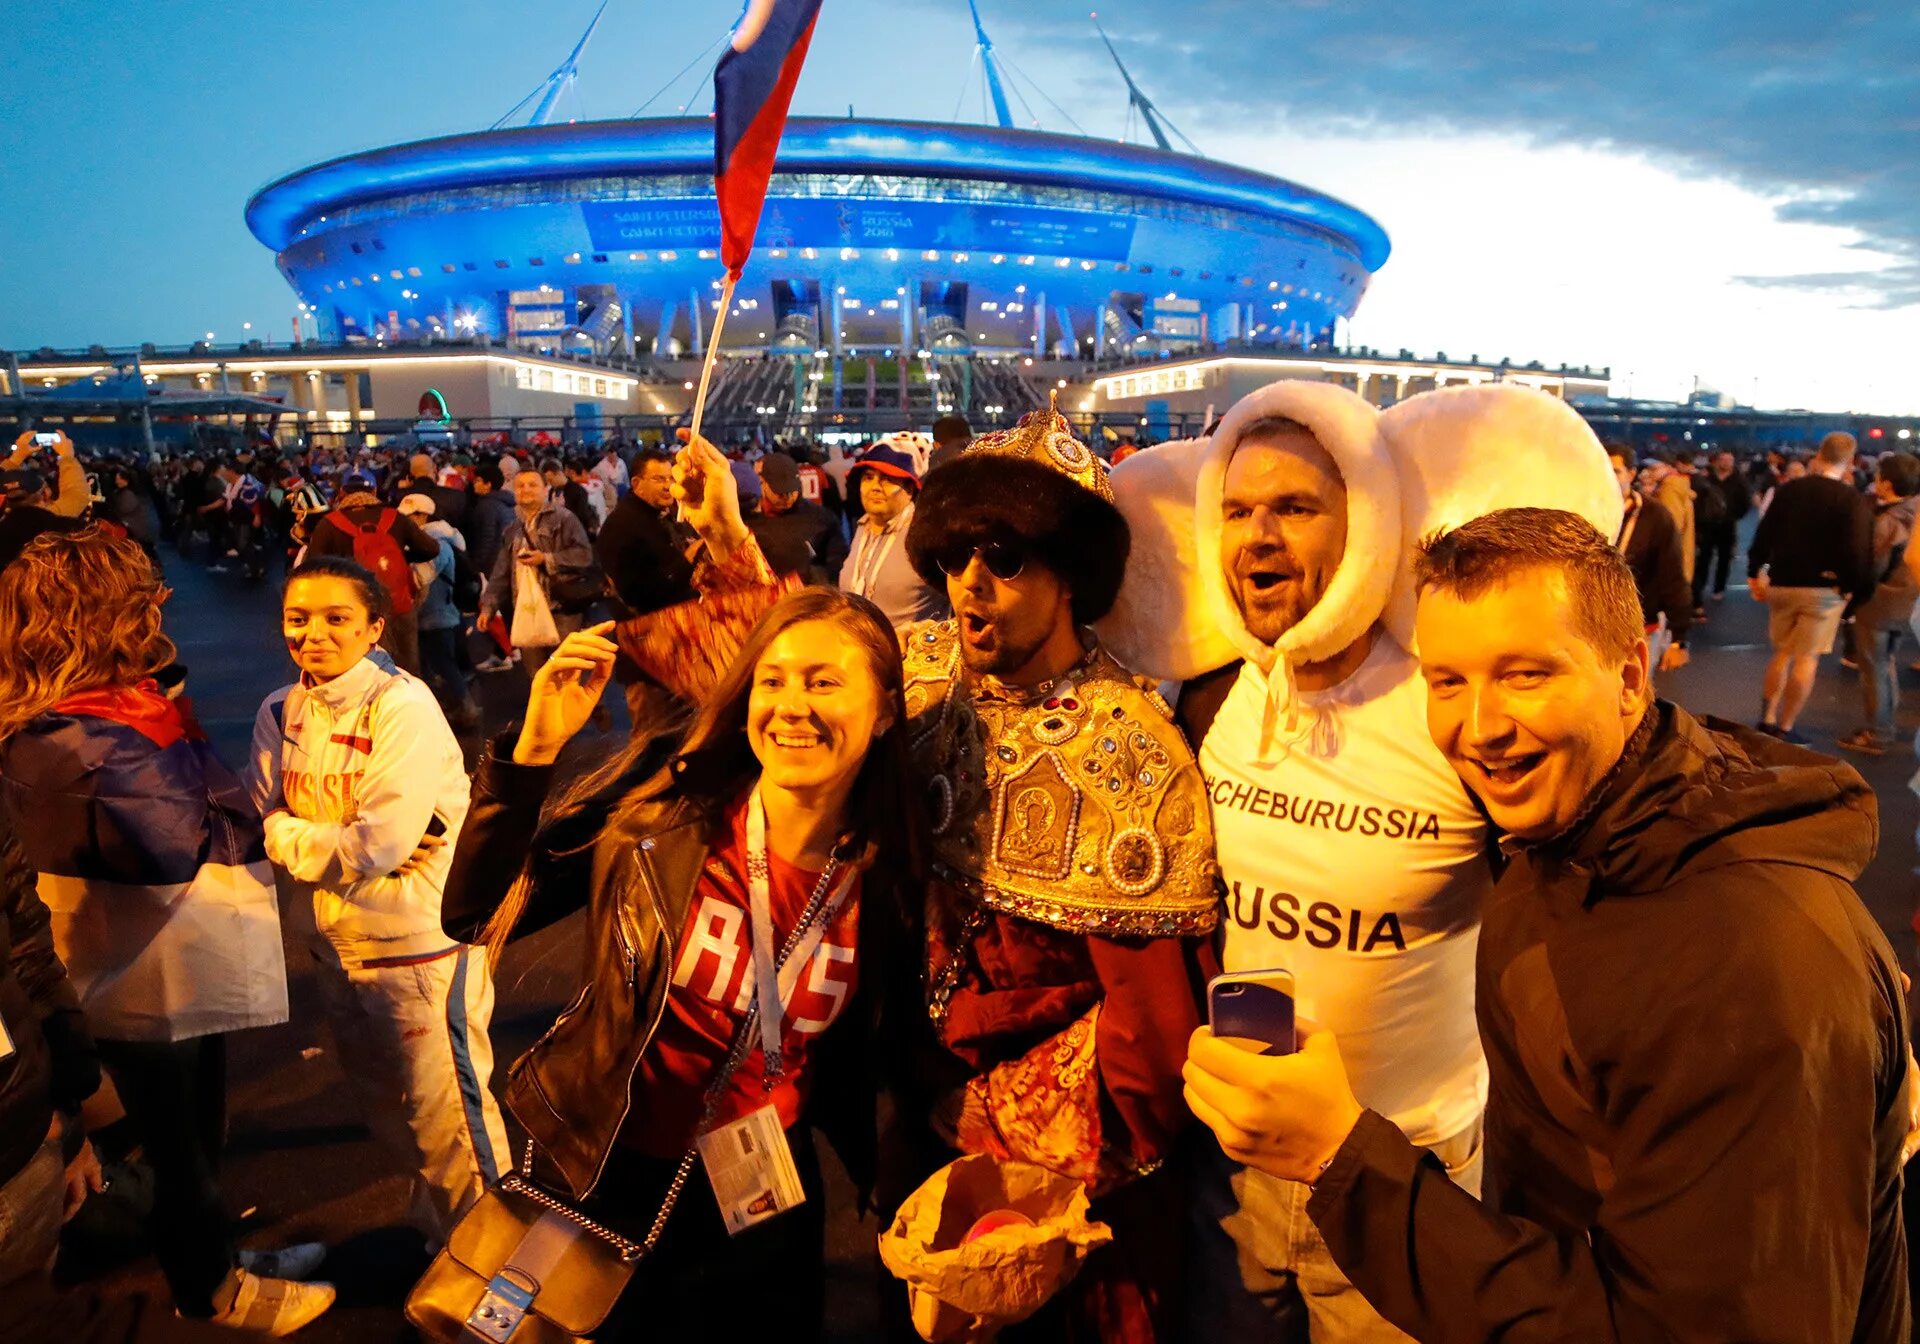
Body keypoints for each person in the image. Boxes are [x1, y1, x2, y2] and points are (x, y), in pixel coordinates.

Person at [1183, 507, 1913, 1343]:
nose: (1479, 728)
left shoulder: (1745, 965)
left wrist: (1340, 1156)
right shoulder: (1579, 833)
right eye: (1448, 681)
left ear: (1632, 675)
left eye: (1526, 675)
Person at [647, 411, 1221, 1340]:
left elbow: (1150, 1041)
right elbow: (794, 667)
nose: (970, 586)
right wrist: (725, 530)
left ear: (1070, 571)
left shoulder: (1134, 757)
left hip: (1051, 1184)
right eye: (955, 558)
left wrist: (1013, 1145)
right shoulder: (922, 673)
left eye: (1006, 558)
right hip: (907, 1123)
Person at [440, 594, 921, 1342]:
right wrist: (531, 753)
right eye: (774, 680)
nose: (792, 706)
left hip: (764, 1185)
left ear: (885, 710)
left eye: (824, 682)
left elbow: (891, 1050)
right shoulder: (662, 813)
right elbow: (475, 913)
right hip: (601, 1164)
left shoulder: (895, 875)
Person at [1168, 386, 1493, 1343]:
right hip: (1236, 1161)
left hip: (1404, 1170)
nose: (1257, 537)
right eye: (1236, 511)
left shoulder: (1447, 706)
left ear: (1367, 526)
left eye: (1296, 508)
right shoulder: (1212, 698)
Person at [0, 527, 329, 1334]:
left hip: (94, 965)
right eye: (144, 595)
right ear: (106, 614)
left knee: (160, 1143)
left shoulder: (39, 710)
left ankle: (199, 1262)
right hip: (149, 971)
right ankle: (212, 1288)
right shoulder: (102, 736)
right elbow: (196, 834)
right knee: (183, 1149)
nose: (162, 603)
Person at [248, 556, 509, 1248]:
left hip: (422, 950)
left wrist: (292, 834)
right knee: (385, 1108)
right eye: (298, 619)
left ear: (373, 628)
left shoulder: (404, 706)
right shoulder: (281, 710)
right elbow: (261, 812)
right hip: (335, 947)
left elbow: (376, 845)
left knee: (451, 1122)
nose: (315, 634)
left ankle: (493, 1277)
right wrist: (314, 838)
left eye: (338, 619)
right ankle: (442, 1238)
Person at [1747, 431, 1875, 743]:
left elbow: (1764, 533)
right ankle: (1786, 726)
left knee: (1781, 654)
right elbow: (1859, 552)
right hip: (1823, 591)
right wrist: (1852, 590)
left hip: (1783, 583)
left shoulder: (1790, 490)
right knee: (1806, 659)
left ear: (1819, 455)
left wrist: (1754, 572)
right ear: (1849, 461)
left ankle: (1766, 717)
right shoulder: (1851, 499)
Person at [302, 468, 440, 676]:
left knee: (363, 670)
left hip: (354, 611)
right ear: (374, 491)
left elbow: (312, 567)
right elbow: (431, 548)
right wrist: (401, 558)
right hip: (398, 606)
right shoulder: (395, 518)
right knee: (407, 668)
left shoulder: (329, 524)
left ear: (342, 493)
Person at [477, 466, 594, 681]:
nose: (526, 490)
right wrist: (488, 607)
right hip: (527, 612)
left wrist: (547, 559)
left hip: (561, 610)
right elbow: (501, 573)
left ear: (545, 488)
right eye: (520, 486)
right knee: (539, 679)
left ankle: (591, 713)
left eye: (533, 484)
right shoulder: (512, 529)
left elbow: (584, 555)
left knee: (569, 675)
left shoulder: (564, 519)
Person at [1837, 453, 1920, 755]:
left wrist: (1850, 593)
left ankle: (1879, 732)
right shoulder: (1916, 511)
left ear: (1886, 483)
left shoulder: (1889, 521)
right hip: (1908, 601)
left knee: (1873, 667)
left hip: (1880, 603)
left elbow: (1872, 567)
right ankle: (1885, 722)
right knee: (1887, 664)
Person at [837, 437, 948, 627]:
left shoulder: (927, 534)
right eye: (868, 477)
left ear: (910, 489)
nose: (875, 487)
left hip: (912, 653)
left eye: (888, 479)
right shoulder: (864, 528)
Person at [398, 494, 481, 732]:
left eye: (409, 518)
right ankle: (456, 708)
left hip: (437, 616)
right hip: (436, 614)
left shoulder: (435, 544)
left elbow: (420, 579)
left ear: (422, 515)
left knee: (444, 666)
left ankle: (467, 710)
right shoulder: (437, 540)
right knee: (438, 665)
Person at [1607, 444, 1692, 670]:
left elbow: (1672, 575)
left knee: (1634, 699)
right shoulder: (1582, 512)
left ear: (1632, 473)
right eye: (1601, 469)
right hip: (1587, 627)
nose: (1607, 477)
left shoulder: (1654, 517)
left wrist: (1678, 640)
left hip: (1639, 629)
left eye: (1615, 471)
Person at [749, 451, 848, 583]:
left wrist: (815, 578)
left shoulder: (822, 518)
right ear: (763, 484)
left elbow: (838, 562)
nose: (787, 497)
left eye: (792, 490)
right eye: (780, 492)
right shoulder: (748, 521)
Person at [1692, 448, 1753, 609]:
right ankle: (1700, 587)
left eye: (1729, 460)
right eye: (1723, 460)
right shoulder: (1708, 479)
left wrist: (1734, 516)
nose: (1726, 463)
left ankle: (1719, 588)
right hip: (1707, 525)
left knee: (1724, 558)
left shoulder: (1739, 481)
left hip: (1727, 525)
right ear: (1717, 461)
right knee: (1703, 557)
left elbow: (1746, 502)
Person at [1644, 450, 1696, 588]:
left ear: (1668, 467)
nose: (1649, 472)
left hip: (1668, 557)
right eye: (1648, 468)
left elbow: (1671, 525)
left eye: (1654, 468)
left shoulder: (1669, 487)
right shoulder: (1676, 483)